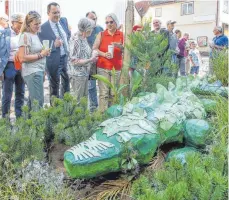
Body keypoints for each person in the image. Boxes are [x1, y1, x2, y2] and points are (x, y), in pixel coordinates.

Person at [18, 11, 50, 109]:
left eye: (39, 23)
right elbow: (22, 57)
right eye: (36, 24)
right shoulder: (25, 36)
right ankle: (37, 123)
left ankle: (28, 123)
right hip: (32, 72)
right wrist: (41, 54)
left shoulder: (35, 35)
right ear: (28, 24)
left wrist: (43, 70)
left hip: (38, 71)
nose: (38, 25)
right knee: (38, 102)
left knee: (33, 102)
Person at [38, 2, 70, 101]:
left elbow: (67, 35)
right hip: (53, 61)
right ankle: (55, 110)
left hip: (65, 58)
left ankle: (66, 107)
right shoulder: (42, 28)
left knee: (67, 82)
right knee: (54, 86)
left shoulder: (64, 21)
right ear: (48, 13)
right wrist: (54, 45)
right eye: (54, 13)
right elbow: (42, 46)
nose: (57, 15)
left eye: (58, 12)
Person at [93, 13, 124, 113]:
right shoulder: (101, 34)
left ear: (116, 22)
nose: (109, 24)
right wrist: (104, 54)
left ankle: (112, 115)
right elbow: (94, 49)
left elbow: (126, 50)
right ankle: (102, 116)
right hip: (103, 67)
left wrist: (120, 47)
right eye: (107, 22)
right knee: (104, 93)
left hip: (117, 68)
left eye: (111, 22)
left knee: (114, 93)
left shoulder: (121, 34)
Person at [1, 13, 25, 118]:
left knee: (21, 93)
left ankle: (19, 118)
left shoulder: (24, 33)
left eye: (23, 22)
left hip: (21, 64)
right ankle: (5, 119)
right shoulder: (4, 34)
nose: (21, 25)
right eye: (19, 22)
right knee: (7, 95)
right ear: (13, 22)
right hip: (9, 65)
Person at [69, 18, 97, 103]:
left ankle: (84, 116)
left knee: (84, 101)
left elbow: (84, 55)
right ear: (86, 29)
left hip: (84, 74)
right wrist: (90, 59)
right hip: (77, 75)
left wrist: (92, 55)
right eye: (91, 28)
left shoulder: (83, 38)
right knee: (78, 102)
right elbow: (74, 61)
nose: (92, 30)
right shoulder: (76, 40)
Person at [86, 11, 103, 112]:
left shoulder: (100, 29)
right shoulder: (84, 30)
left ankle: (103, 106)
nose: (94, 20)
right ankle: (93, 106)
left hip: (101, 61)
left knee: (102, 84)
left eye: (95, 18)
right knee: (91, 86)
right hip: (89, 62)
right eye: (91, 19)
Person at [0, 14, 10, 107]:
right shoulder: (2, 32)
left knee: (5, 91)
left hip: (4, 65)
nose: (7, 22)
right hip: (2, 65)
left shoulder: (5, 31)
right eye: (6, 20)